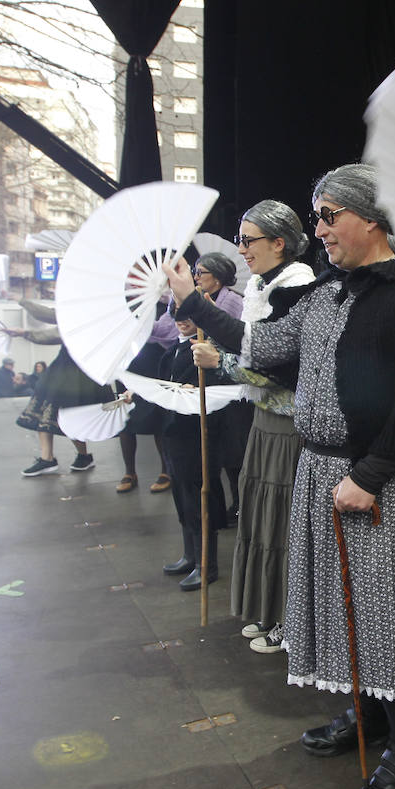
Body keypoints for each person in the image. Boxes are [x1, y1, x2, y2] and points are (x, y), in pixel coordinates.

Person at [167, 163, 395, 789]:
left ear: (373, 219)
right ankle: (369, 717)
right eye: (317, 216)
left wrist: (370, 473)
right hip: (326, 474)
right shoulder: (328, 294)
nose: (319, 229)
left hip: (386, 485)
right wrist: (192, 303)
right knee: (344, 608)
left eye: (330, 215)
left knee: (387, 617)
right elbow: (261, 347)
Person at [193, 199, 316, 654]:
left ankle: (291, 620)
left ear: (279, 242)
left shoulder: (297, 285)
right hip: (264, 418)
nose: (242, 249)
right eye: (241, 241)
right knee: (262, 517)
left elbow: (282, 364)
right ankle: (270, 609)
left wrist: (221, 361)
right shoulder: (263, 285)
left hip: (288, 422)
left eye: (249, 241)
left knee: (283, 523)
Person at [155, 314, 229, 591]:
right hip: (174, 434)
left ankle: (206, 565)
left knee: (200, 498)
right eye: (176, 315)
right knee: (181, 495)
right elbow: (161, 385)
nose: (181, 321)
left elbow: (222, 389)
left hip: (199, 435)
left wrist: (198, 390)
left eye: (187, 316)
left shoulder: (208, 352)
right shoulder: (173, 351)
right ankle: (190, 556)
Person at [190, 250, 254, 526]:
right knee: (225, 447)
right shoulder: (209, 299)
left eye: (200, 272)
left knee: (236, 446)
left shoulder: (230, 302)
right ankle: (234, 502)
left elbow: (232, 339)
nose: (195, 277)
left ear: (216, 277)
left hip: (234, 382)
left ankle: (241, 503)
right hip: (216, 380)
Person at [10, 303, 110, 476]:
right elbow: (51, 315)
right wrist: (22, 301)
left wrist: (25, 332)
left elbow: (54, 331)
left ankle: (79, 456)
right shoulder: (80, 308)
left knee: (68, 414)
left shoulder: (93, 314)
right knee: (48, 409)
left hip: (78, 372)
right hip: (66, 369)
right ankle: (50, 458)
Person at [115, 304, 176, 495]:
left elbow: (168, 332)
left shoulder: (163, 304)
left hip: (154, 362)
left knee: (158, 418)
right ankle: (129, 472)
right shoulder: (121, 306)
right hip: (127, 363)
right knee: (125, 419)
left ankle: (166, 470)